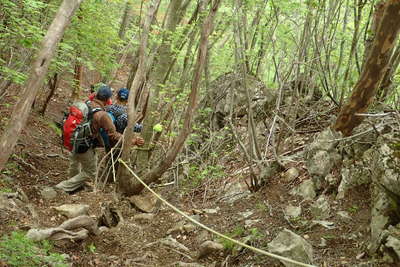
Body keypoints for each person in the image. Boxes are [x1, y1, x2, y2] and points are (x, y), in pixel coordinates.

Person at [55, 85, 144, 193]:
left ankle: (74, 185)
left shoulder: (87, 103)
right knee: (91, 172)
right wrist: (133, 141)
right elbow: (114, 135)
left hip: (73, 139)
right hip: (85, 144)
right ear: (108, 99)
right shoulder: (103, 115)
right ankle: (62, 188)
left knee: (75, 162)